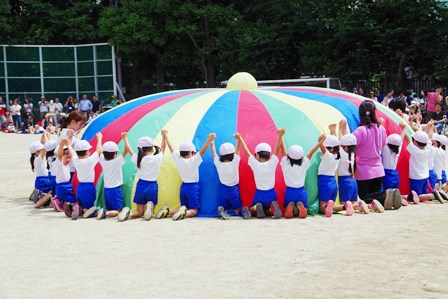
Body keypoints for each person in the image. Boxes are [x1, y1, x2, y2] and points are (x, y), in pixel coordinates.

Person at [352, 100, 398, 211]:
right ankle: (386, 195)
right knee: (374, 195)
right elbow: (383, 144)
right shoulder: (381, 129)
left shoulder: (360, 131)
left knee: (363, 197)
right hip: (378, 169)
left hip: (363, 171)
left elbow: (349, 144)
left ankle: (385, 195)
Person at [160, 130, 215, 221]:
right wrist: (209, 140)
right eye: (193, 153)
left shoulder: (178, 159)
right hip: (193, 187)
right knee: (193, 210)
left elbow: (171, 147)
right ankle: (184, 213)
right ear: (191, 152)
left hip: (183, 187)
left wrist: (165, 135)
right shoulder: (193, 160)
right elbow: (202, 151)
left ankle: (168, 211)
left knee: (183, 206)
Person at [117, 132, 166, 221]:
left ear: (140, 149)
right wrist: (164, 136)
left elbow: (129, 150)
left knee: (139, 211)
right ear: (152, 147)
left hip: (141, 185)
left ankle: (129, 214)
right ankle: (149, 208)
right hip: (152, 186)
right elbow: (163, 148)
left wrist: (125, 139)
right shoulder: (156, 158)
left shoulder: (139, 159)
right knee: (150, 210)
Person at [279, 129, 324, 219]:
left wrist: (281, 136)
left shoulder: (285, 164)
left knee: (286, 210)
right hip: (301, 191)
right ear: (301, 157)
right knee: (305, 211)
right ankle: (302, 208)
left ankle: (289, 208)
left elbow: (283, 149)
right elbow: (311, 152)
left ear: (288, 156)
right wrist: (321, 142)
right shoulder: (304, 164)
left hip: (290, 191)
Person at [239, 130, 283, 219]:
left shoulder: (255, 164)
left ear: (257, 155)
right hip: (272, 194)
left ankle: (257, 207)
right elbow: (277, 149)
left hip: (260, 194)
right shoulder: (272, 163)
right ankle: (271, 208)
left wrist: (240, 138)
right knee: (267, 211)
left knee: (251, 209)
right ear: (269, 155)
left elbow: (246, 151)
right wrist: (280, 136)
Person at [210, 133, 251, 220]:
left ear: (221, 155)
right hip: (233, 190)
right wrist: (238, 139)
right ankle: (242, 211)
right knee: (237, 208)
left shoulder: (218, 163)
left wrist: (212, 141)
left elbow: (213, 153)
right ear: (232, 155)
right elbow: (237, 151)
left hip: (223, 189)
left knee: (224, 206)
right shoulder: (234, 162)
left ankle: (222, 211)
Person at [405, 125, 444, 204]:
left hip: (416, 178)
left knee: (417, 197)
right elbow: (429, 137)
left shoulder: (415, 151)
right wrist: (429, 127)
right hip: (425, 177)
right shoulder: (428, 148)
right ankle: (432, 195)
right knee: (422, 196)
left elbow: (407, 140)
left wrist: (403, 129)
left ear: (415, 142)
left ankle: (432, 196)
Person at [69, 133, 103, 220]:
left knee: (83, 203)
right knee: (91, 207)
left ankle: (78, 207)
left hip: (79, 188)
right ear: (88, 151)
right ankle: (84, 210)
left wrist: (68, 144)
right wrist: (99, 139)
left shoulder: (76, 161)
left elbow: (72, 153)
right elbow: (98, 150)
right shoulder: (90, 161)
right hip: (89, 188)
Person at [97, 135, 131, 220]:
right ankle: (104, 213)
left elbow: (99, 151)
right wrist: (125, 139)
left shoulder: (103, 161)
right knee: (118, 210)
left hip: (107, 190)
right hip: (115, 190)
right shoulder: (117, 161)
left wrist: (99, 139)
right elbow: (126, 150)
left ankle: (101, 212)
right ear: (115, 153)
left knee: (110, 208)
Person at [55, 137, 78, 217]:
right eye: (66, 157)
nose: (68, 159)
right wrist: (62, 144)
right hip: (63, 187)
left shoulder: (66, 166)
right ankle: (66, 204)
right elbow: (60, 155)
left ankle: (61, 202)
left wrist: (68, 144)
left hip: (66, 186)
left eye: (69, 158)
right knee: (75, 201)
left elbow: (73, 155)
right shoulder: (60, 163)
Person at [29, 138, 53, 208]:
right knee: (52, 192)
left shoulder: (37, 159)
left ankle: (37, 194)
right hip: (43, 181)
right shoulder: (38, 158)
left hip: (41, 180)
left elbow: (43, 148)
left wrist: (45, 136)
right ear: (36, 152)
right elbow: (45, 149)